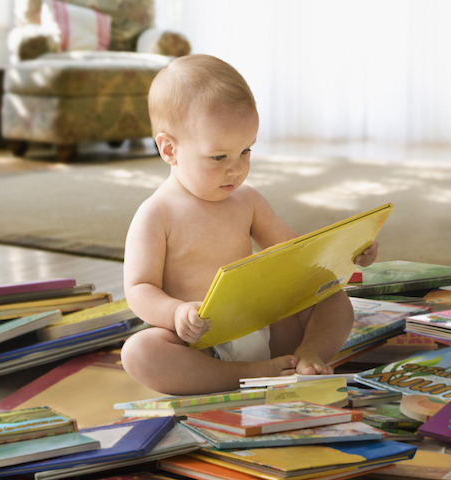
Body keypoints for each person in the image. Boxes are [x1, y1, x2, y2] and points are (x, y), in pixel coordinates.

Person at [121, 54, 379, 395]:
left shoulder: (248, 200)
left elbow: (294, 252)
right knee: (139, 353)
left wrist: (346, 250)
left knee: (334, 300)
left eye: (246, 151)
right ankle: (247, 373)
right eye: (219, 157)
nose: (236, 169)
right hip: (200, 343)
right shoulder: (156, 214)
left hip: (266, 327)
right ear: (169, 149)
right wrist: (176, 313)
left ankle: (307, 356)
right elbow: (139, 288)